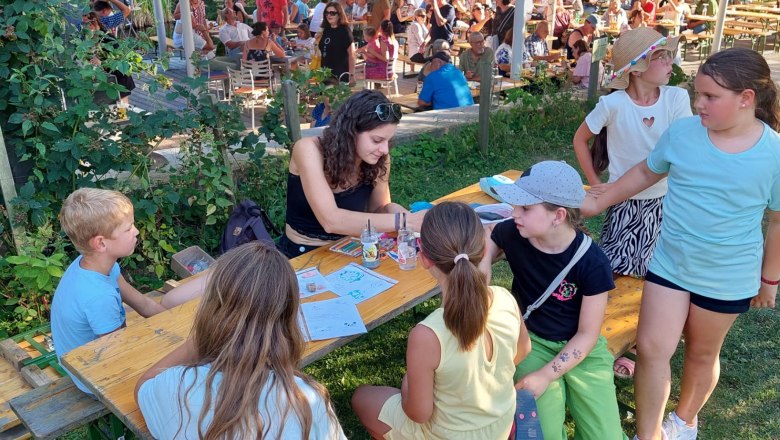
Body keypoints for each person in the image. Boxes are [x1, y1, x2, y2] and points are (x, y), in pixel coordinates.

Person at [580, 47, 780, 440]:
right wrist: (599, 199)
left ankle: (684, 421)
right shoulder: (684, 132)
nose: (698, 104)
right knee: (653, 348)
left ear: (746, 99)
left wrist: (770, 279)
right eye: (697, 94)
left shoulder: (773, 153)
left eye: (709, 97)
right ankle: (649, 433)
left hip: (726, 275)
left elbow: (778, 219)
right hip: (670, 264)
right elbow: (643, 171)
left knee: (702, 354)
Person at [352, 201, 529, 439]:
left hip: (447, 434)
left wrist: (407, 386)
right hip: (500, 425)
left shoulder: (428, 334)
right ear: (484, 250)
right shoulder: (505, 298)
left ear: (424, 258)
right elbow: (522, 351)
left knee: (361, 397)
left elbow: (418, 413)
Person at [135, 242, 348, 439]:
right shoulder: (307, 400)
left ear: (210, 310)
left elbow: (144, 386)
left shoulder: (177, 385)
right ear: (289, 318)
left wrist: (207, 332)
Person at [480, 161, 625, 440]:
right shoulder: (515, 231)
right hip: (531, 344)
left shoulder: (593, 263)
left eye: (525, 208)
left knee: (605, 435)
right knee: (538, 433)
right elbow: (490, 237)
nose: (514, 214)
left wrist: (547, 375)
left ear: (558, 216)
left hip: (583, 352)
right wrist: (483, 264)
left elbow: (587, 335)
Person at [279, 90, 422, 258]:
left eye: (388, 141)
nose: (384, 149)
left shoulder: (380, 158)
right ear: (351, 132)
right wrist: (404, 221)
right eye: (377, 140)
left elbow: (377, 211)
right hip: (303, 252)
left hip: (352, 246)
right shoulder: (307, 149)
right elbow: (331, 221)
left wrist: (402, 214)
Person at [51, 188, 166, 395]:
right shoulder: (99, 297)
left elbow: (143, 303)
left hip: (104, 353)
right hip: (94, 378)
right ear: (101, 243)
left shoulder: (95, 265)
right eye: (128, 228)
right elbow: (118, 356)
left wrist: (176, 324)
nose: (136, 231)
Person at [83, 12, 136, 104]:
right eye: (83, 23)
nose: (84, 27)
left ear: (94, 22)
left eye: (87, 23)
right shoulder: (89, 39)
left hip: (120, 77)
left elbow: (119, 61)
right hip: (106, 79)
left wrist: (101, 63)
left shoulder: (109, 39)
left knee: (121, 109)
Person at [318, 2, 356, 82]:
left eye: (332, 13)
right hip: (325, 73)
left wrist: (351, 75)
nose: (329, 15)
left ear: (339, 15)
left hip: (340, 74)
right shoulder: (326, 29)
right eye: (327, 13)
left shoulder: (345, 30)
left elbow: (352, 54)